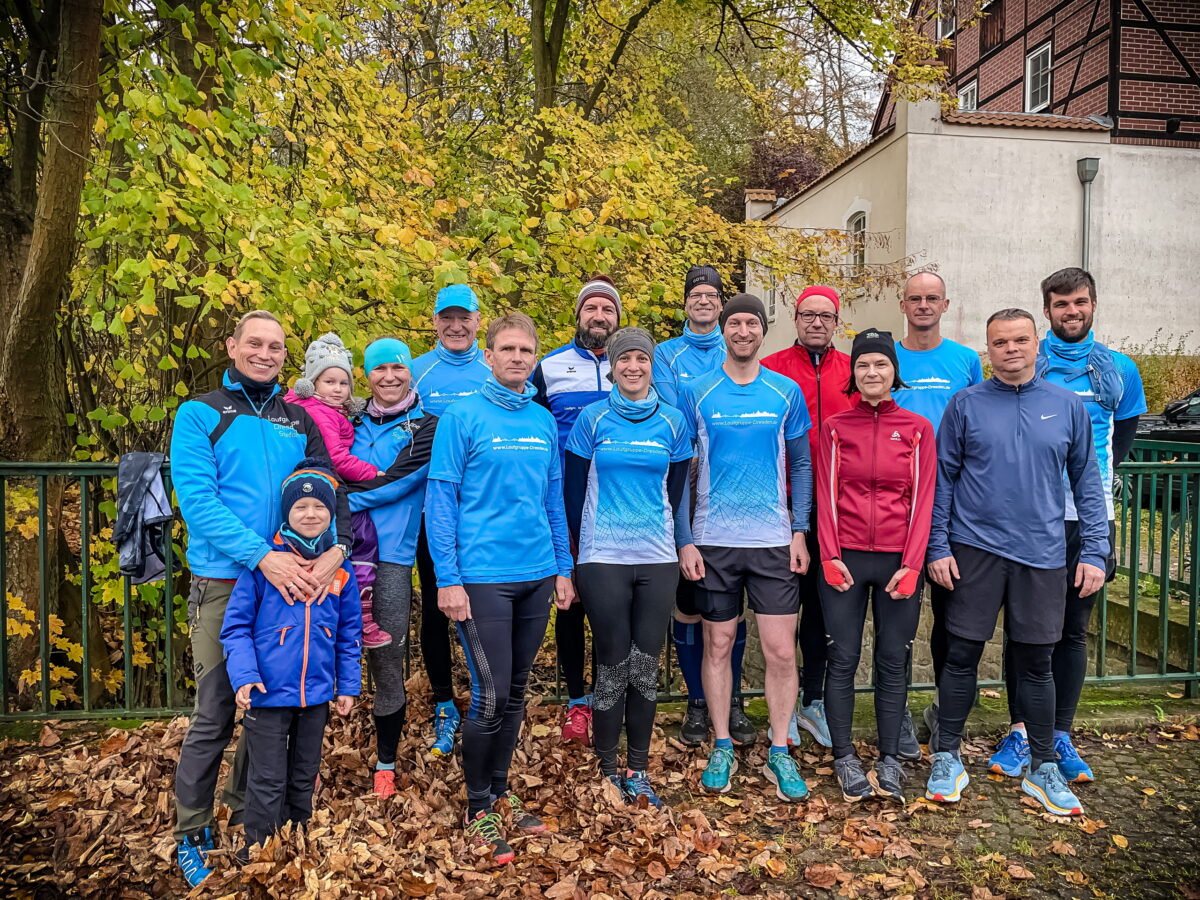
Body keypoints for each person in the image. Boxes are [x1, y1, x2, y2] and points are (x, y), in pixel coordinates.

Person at [169, 310, 353, 887]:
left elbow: (331, 489)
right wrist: (262, 557)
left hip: (298, 586)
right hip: (230, 582)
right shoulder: (201, 413)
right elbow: (198, 503)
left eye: (275, 346)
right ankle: (192, 830)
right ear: (233, 346)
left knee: (271, 707)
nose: (265, 353)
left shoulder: (297, 418)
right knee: (218, 710)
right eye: (255, 343)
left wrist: (338, 550)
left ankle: (252, 815)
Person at [924, 308, 1109, 818]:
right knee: (960, 656)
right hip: (974, 550)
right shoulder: (965, 404)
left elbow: (1087, 485)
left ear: (1036, 343)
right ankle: (946, 756)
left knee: (1036, 664)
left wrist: (1095, 550)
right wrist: (937, 546)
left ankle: (1043, 767)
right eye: (1000, 342)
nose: (1011, 349)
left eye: (1020, 340)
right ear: (988, 349)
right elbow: (944, 480)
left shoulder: (1067, 405)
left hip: (1043, 554)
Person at [427, 313, 575, 864]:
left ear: (535, 359)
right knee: (489, 695)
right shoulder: (462, 417)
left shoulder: (541, 421)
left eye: (526, 350)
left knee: (514, 693)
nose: (517, 357)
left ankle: (501, 791)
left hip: (536, 574)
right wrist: (448, 578)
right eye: (507, 348)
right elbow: (440, 501)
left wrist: (563, 568)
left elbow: (553, 500)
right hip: (481, 578)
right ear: (488, 355)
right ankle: (477, 805)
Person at [989, 268, 1146, 783]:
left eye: (1079, 302)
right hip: (1028, 522)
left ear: (1093, 304)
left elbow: (1116, 444)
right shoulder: (1033, 364)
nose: (1070, 311)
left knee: (1072, 632)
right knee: (1025, 632)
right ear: (1047, 312)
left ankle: (1058, 734)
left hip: (1088, 521)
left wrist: (1089, 499)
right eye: (1060, 304)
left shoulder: (1120, 369)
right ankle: (1018, 732)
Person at [677, 293, 814, 802]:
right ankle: (721, 743)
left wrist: (800, 529)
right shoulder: (697, 391)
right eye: (733, 323)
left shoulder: (785, 391)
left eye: (750, 323)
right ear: (724, 331)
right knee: (717, 645)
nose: (741, 331)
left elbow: (800, 464)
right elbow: (682, 471)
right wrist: (686, 538)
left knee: (780, 650)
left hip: (773, 541)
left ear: (762, 332)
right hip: (713, 541)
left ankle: (780, 748)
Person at [565, 327, 692, 808]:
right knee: (613, 662)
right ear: (613, 366)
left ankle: (637, 768)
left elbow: (675, 489)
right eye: (624, 360)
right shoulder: (592, 420)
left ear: (650, 365)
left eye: (641, 358)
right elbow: (574, 493)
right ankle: (606, 768)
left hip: (657, 559)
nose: (633, 367)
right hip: (603, 558)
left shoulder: (674, 423)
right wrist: (574, 557)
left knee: (645, 665)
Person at [815, 330, 936, 803]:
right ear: (854, 373)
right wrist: (828, 554)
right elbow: (824, 496)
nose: (871, 373)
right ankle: (844, 756)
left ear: (893, 373)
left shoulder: (918, 429)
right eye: (863, 365)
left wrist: (912, 564)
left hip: (896, 562)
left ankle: (889, 758)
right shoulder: (834, 428)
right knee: (841, 659)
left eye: (880, 366)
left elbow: (924, 500)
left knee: (891, 660)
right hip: (844, 559)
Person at [220, 461, 362, 859]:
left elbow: (349, 633)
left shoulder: (341, 571)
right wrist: (244, 676)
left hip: (316, 694)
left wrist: (347, 685)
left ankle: (296, 837)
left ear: (332, 514)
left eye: (319, 507)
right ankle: (260, 848)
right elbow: (236, 629)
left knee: (303, 774)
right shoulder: (265, 567)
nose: (311, 514)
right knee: (267, 778)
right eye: (300, 508)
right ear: (286, 513)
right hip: (268, 693)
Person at [653, 266, 755, 748]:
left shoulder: (738, 346)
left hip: (737, 499)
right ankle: (697, 701)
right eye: (696, 294)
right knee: (690, 606)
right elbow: (673, 416)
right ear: (686, 302)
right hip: (686, 484)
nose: (704, 301)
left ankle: (731, 700)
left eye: (712, 295)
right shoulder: (665, 354)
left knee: (730, 615)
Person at [891, 272, 984, 753]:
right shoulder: (889, 358)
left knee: (952, 621)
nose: (923, 305)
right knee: (899, 621)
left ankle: (945, 712)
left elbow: (980, 421)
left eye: (932, 298)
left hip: (953, 506)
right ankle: (898, 711)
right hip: (896, 508)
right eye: (915, 298)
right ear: (901, 304)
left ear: (945, 304)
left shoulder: (967, 361)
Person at [762, 285, 856, 750]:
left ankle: (813, 701)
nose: (816, 323)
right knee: (783, 612)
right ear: (796, 320)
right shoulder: (772, 369)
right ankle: (782, 704)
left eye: (825, 316)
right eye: (808, 315)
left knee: (824, 610)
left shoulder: (851, 371)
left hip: (837, 509)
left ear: (836, 322)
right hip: (782, 506)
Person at [346, 337, 438, 798]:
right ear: (367, 375)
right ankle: (306, 756)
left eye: (397, 368)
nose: (389, 377)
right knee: (318, 654)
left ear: (409, 372)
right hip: (334, 554)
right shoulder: (348, 421)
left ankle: (385, 762)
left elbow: (398, 483)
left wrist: (336, 502)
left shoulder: (427, 426)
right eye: (379, 369)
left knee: (386, 662)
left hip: (392, 560)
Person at [531, 275, 620, 745]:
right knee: (570, 603)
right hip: (565, 503)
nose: (599, 317)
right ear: (579, 315)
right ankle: (576, 703)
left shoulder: (633, 366)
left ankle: (610, 699)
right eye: (592, 309)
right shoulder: (549, 368)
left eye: (608, 310)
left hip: (621, 509)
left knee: (612, 607)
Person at [410, 284, 490, 757]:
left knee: (485, 609)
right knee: (437, 611)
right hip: (430, 513)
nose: (456, 327)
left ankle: (486, 700)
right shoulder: (417, 372)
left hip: (482, 519)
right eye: (447, 318)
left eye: (465, 318)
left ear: (479, 320)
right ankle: (444, 703)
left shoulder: (494, 369)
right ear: (435, 321)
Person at [284, 333, 390, 647]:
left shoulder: (332, 412)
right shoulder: (320, 414)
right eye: (329, 382)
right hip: (328, 485)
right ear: (312, 384)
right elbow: (337, 459)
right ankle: (361, 616)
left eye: (343, 384)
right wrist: (376, 474)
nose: (338, 389)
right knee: (364, 538)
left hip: (324, 485)